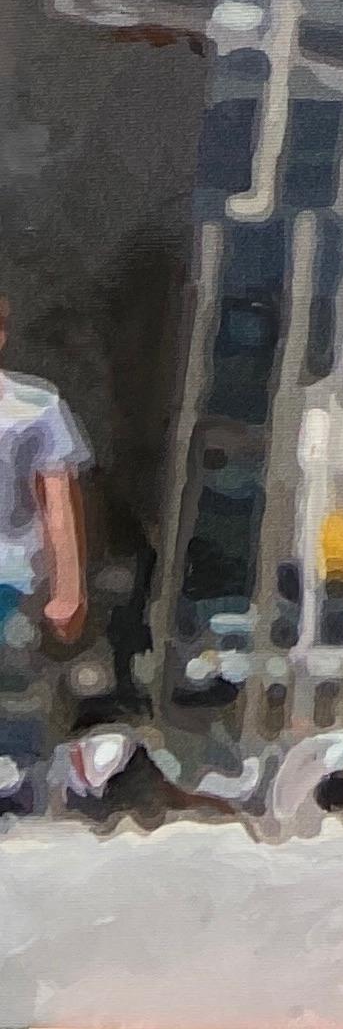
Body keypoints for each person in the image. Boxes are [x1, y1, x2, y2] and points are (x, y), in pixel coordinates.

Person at [0, 294, 90, 816]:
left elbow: (58, 502)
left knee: (13, 691)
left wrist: (68, 589)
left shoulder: (35, 407)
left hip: (11, 580)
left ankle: (19, 792)